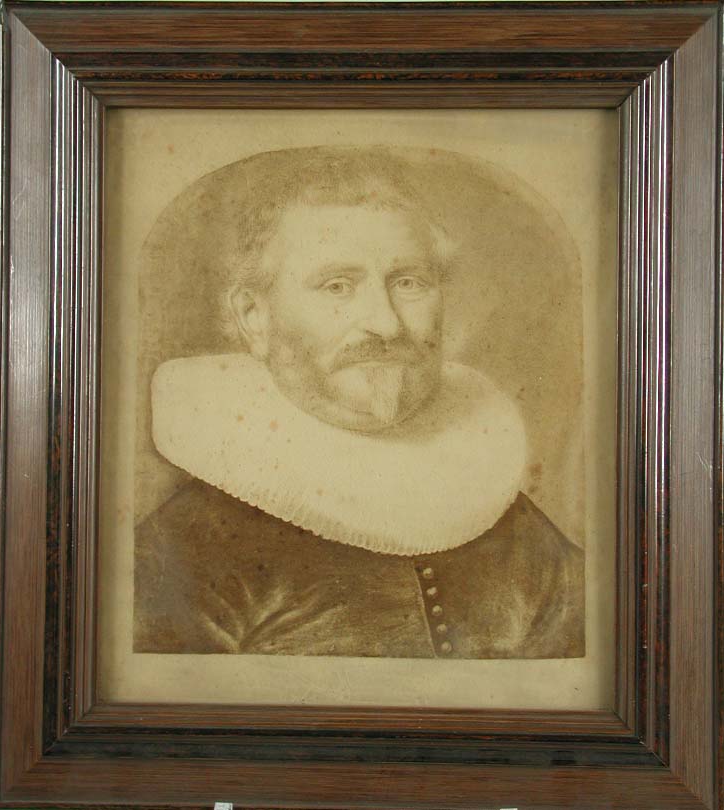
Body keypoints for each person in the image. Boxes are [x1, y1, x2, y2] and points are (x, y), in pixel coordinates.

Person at [134, 148, 584, 659]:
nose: (386, 324)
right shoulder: (186, 549)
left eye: (409, 282)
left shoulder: (520, 534)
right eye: (337, 286)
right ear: (254, 317)